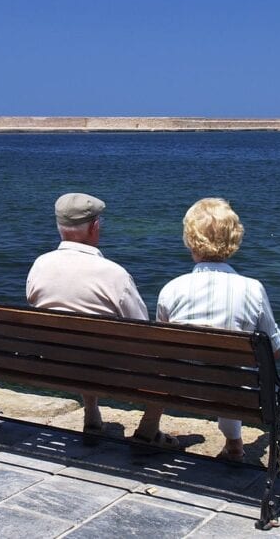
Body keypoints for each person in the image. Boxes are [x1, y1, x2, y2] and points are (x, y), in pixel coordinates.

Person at [27, 192, 178, 449]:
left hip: (52, 365)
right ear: (95, 227)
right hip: (108, 372)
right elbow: (142, 329)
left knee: (79, 341)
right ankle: (148, 429)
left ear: (59, 226)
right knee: (169, 355)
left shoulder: (39, 265)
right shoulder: (114, 274)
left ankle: (92, 415)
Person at [156, 198, 280, 462]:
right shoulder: (253, 289)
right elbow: (274, 351)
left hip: (181, 387)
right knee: (232, 371)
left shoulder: (172, 289)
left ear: (189, 240)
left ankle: (150, 428)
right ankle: (234, 442)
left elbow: (162, 347)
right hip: (233, 391)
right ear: (234, 240)